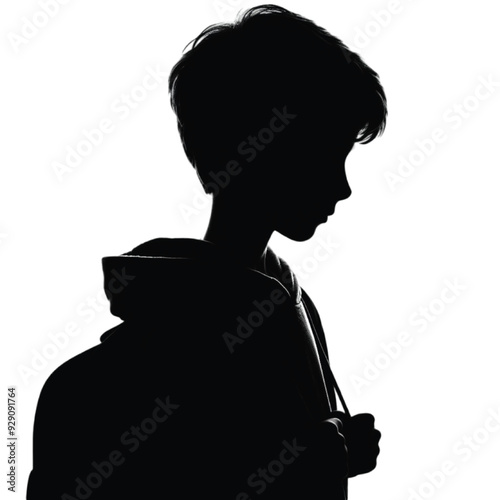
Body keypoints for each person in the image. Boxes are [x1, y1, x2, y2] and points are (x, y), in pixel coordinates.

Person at [27, 4, 387, 499]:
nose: (343, 188)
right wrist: (306, 464)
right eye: (327, 154)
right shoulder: (93, 388)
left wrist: (334, 456)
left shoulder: (297, 309)